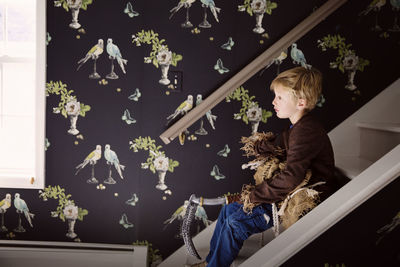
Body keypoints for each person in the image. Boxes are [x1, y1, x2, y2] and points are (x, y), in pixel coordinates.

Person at [198, 66, 337, 267]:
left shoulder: (306, 131)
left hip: (296, 199)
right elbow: (280, 143)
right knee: (229, 210)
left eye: (280, 97)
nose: (273, 102)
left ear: (301, 102)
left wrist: (255, 194)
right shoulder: (298, 128)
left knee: (235, 222)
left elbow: (291, 177)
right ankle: (211, 261)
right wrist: (261, 146)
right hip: (286, 192)